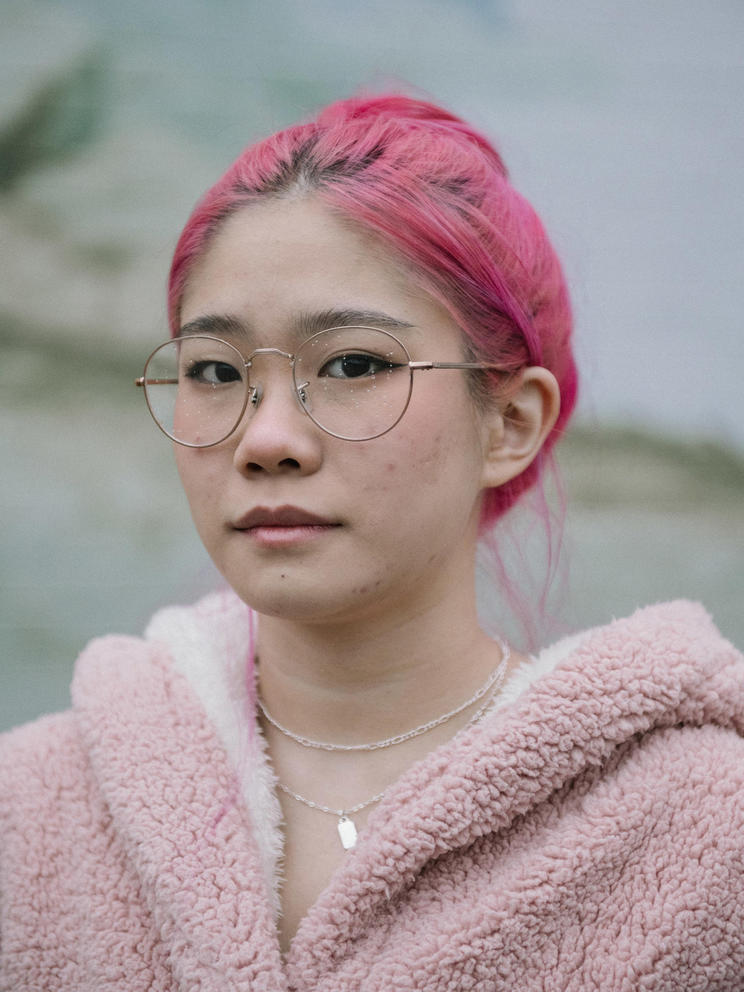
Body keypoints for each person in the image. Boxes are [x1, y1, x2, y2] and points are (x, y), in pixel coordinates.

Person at [2, 93, 743, 991]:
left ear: (510, 421)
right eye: (215, 372)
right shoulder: (33, 811)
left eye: (353, 364)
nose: (267, 438)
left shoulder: (704, 839)